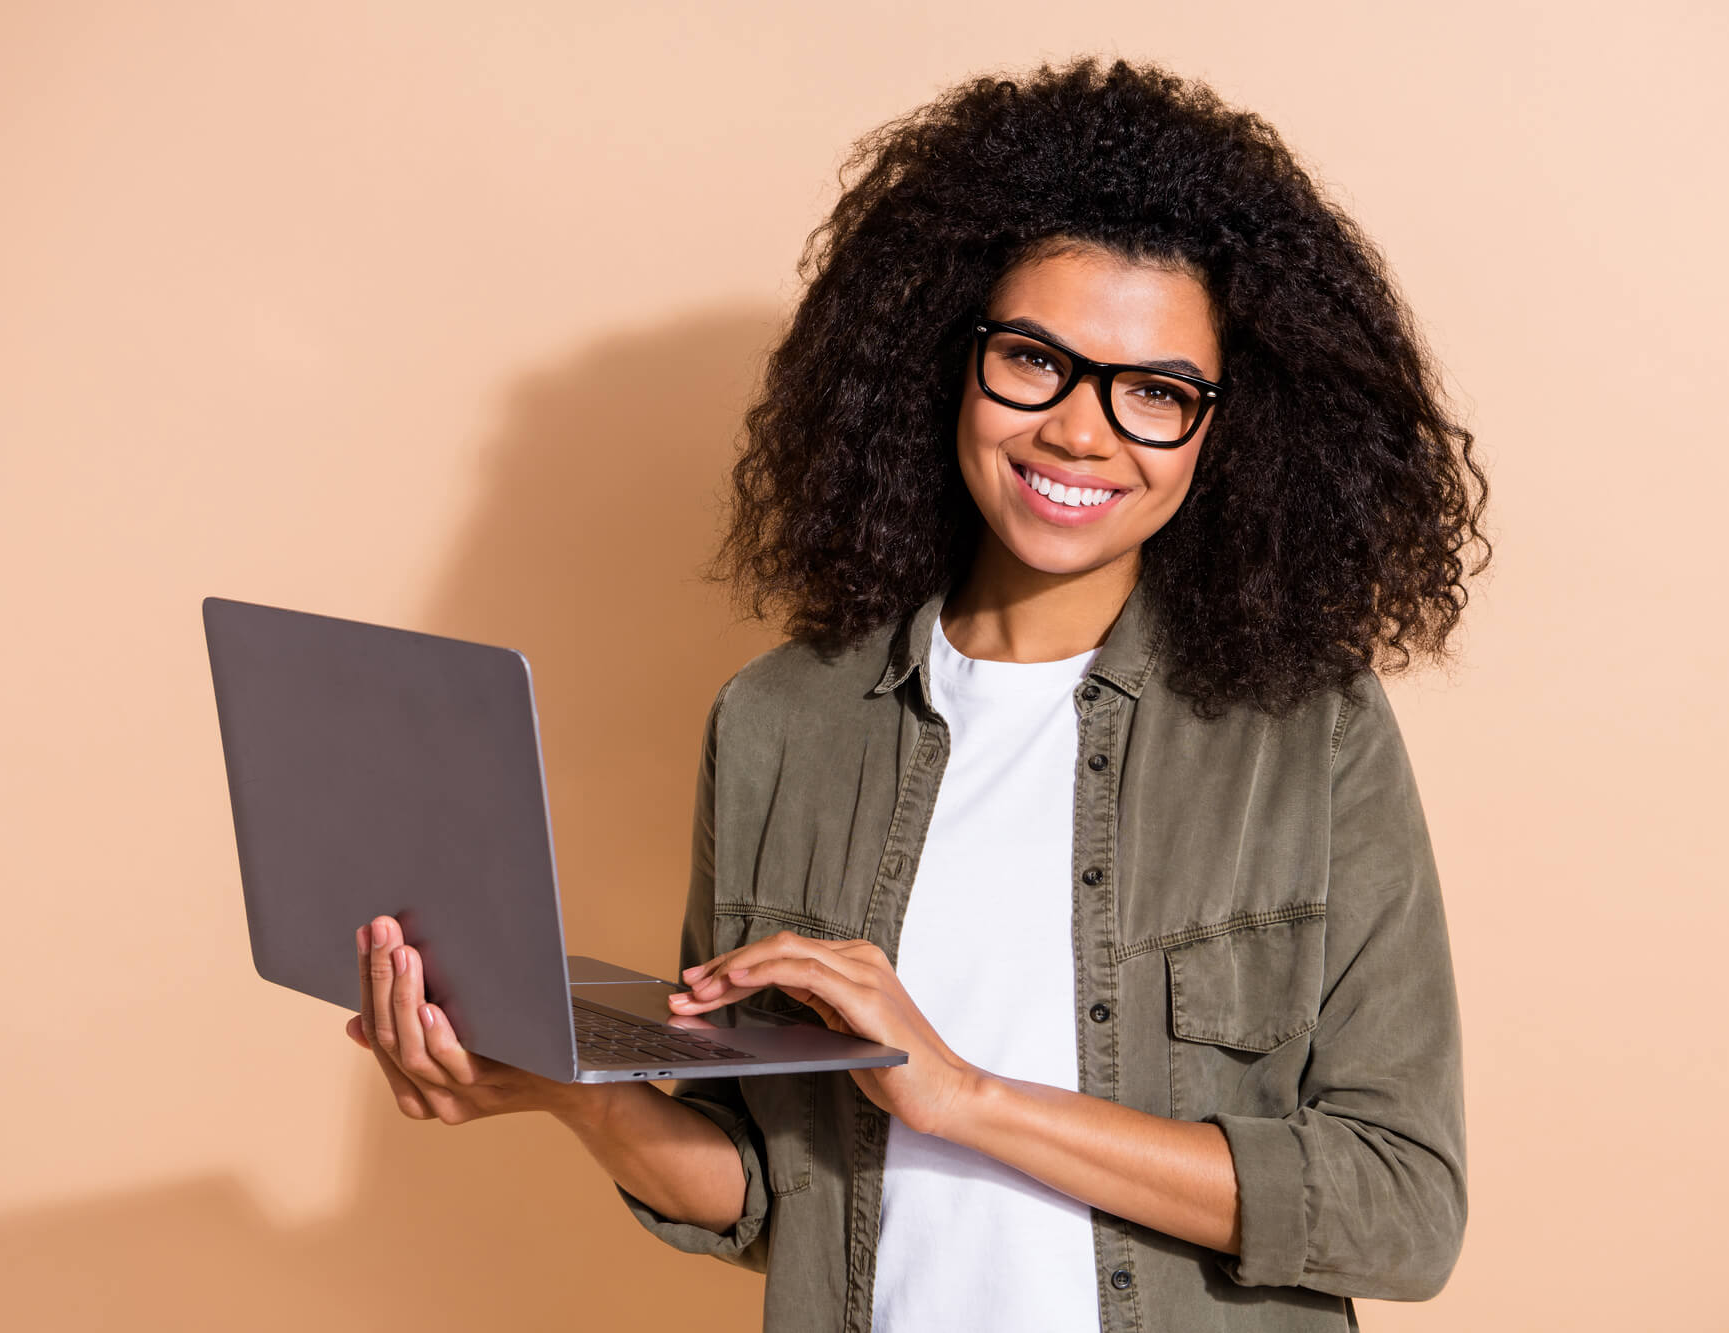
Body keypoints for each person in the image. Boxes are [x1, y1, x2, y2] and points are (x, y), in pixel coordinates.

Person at [344, 55, 1489, 1332]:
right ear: (947, 360)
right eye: (1033, 360)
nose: (1080, 431)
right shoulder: (779, 722)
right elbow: (774, 1196)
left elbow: (1400, 1206)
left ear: (1225, 431)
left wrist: (962, 1094)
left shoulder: (1306, 731)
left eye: (1155, 393)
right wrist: (572, 1088)